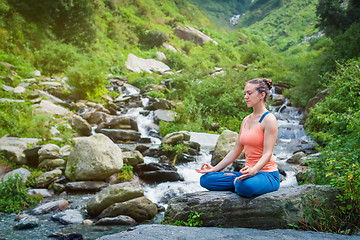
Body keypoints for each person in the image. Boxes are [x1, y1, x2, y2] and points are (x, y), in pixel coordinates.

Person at [195, 78, 280, 198]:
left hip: (267, 175)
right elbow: (235, 151)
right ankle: (237, 181)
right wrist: (214, 169)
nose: (246, 97)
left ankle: (239, 182)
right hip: (247, 173)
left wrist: (254, 170)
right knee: (205, 179)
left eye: (249, 93)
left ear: (262, 95)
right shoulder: (246, 120)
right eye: (245, 93)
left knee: (244, 186)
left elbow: (267, 153)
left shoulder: (269, 119)